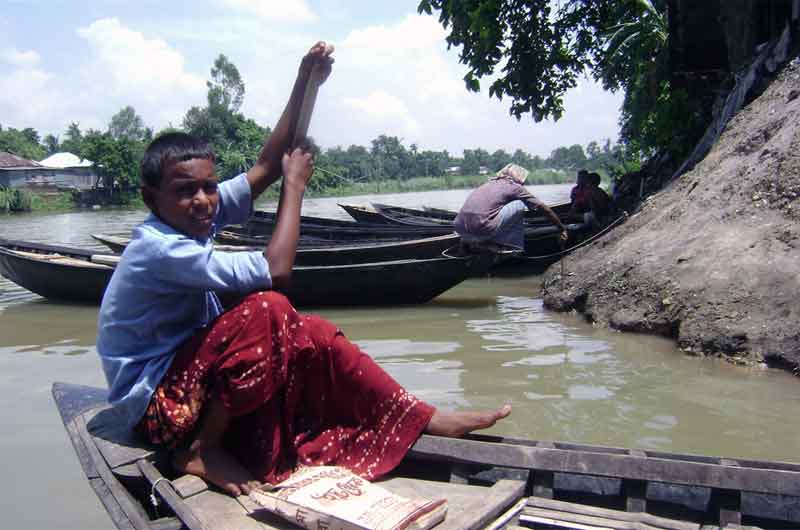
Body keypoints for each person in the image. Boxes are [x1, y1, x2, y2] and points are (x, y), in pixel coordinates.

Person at [96, 42, 511, 498]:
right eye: (185, 190)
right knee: (269, 311)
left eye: (209, 187)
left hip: (190, 380)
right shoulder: (157, 249)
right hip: (157, 407)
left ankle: (422, 417)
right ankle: (200, 449)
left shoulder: (196, 218)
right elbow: (277, 273)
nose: (202, 200)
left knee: (309, 331)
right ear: (150, 199)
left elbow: (266, 165)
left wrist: (304, 82)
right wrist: (296, 186)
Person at [454, 163, 568, 253]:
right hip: (483, 229)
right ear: (518, 179)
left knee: (484, 214)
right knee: (519, 203)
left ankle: (466, 243)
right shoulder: (515, 187)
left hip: (459, 228)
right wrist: (561, 228)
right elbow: (543, 208)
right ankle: (511, 245)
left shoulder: (488, 184)